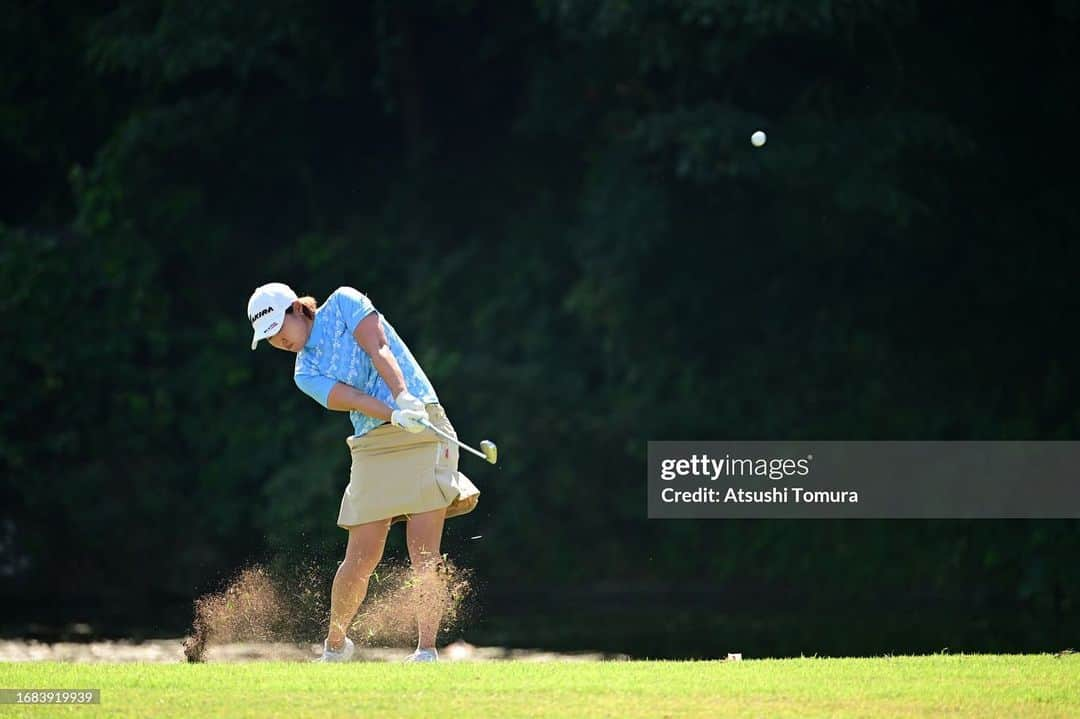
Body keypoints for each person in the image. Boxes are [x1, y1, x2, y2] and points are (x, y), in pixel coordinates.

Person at [247, 282, 480, 663]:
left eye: (277, 329)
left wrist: (404, 399)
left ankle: (426, 651)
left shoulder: (344, 302)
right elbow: (352, 399)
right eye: (268, 338)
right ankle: (335, 646)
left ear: (295, 309)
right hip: (374, 438)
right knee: (360, 556)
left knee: (424, 551)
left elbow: (379, 348)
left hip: (422, 423)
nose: (278, 341)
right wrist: (391, 413)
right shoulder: (304, 372)